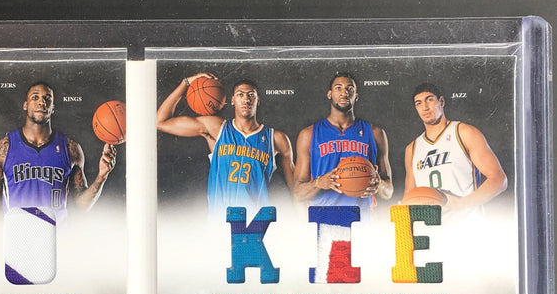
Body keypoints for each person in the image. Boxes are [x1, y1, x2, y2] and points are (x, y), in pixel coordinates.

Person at [156, 74, 295, 216]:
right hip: (221, 221)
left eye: (251, 95)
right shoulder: (217, 128)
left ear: (258, 100)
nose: (246, 99)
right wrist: (186, 82)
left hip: (256, 222)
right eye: (240, 95)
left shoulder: (276, 138)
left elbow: (296, 190)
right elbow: (160, 122)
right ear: (232, 100)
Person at [0, 81, 116, 218]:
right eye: (35, 97)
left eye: (47, 99)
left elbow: (80, 206)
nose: (41, 102)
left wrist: (101, 176)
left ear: (52, 107)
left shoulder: (71, 149)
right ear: (25, 105)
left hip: (56, 229)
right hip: (19, 229)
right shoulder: (3, 149)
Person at [294, 72, 393, 211]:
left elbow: (388, 192)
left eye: (350, 89)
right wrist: (318, 183)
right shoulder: (308, 134)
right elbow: (298, 193)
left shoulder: (375, 133)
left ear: (356, 96)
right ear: (329, 94)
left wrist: (379, 184)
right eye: (338, 88)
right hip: (324, 215)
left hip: (362, 215)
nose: (344, 92)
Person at [404, 83, 507, 212]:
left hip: (466, 221)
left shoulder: (464, 132)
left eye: (429, 99)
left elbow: (499, 179)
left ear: (441, 101)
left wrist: (462, 204)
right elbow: (409, 195)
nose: (424, 107)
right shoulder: (412, 149)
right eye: (418, 103)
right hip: (432, 223)